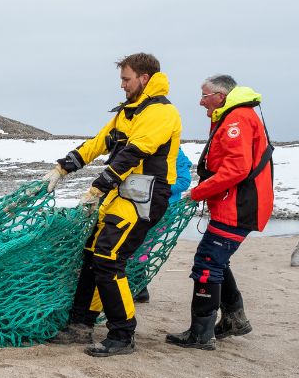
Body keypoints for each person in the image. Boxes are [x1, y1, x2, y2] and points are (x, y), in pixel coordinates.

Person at [44, 53, 182, 357]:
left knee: (109, 258)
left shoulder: (161, 112)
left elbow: (134, 152)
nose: (122, 85)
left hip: (145, 197)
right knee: (93, 254)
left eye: (126, 79)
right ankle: (80, 324)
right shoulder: (129, 111)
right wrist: (63, 167)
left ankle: (122, 334)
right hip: (122, 196)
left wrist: (98, 186)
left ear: (144, 78)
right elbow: (100, 142)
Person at [166, 75, 274, 350]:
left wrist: (198, 192)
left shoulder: (237, 119)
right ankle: (235, 319)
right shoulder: (234, 116)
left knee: (207, 263)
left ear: (221, 95)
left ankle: (201, 334)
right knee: (216, 261)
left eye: (205, 95)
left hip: (238, 207)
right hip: (237, 204)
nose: (201, 102)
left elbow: (236, 169)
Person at [131, 146, 193, 303]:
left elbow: (184, 182)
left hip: (164, 210)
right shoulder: (146, 148)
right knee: (137, 245)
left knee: (142, 245)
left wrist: (154, 189)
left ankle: (139, 288)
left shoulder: (175, 153)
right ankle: (138, 287)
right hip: (142, 207)